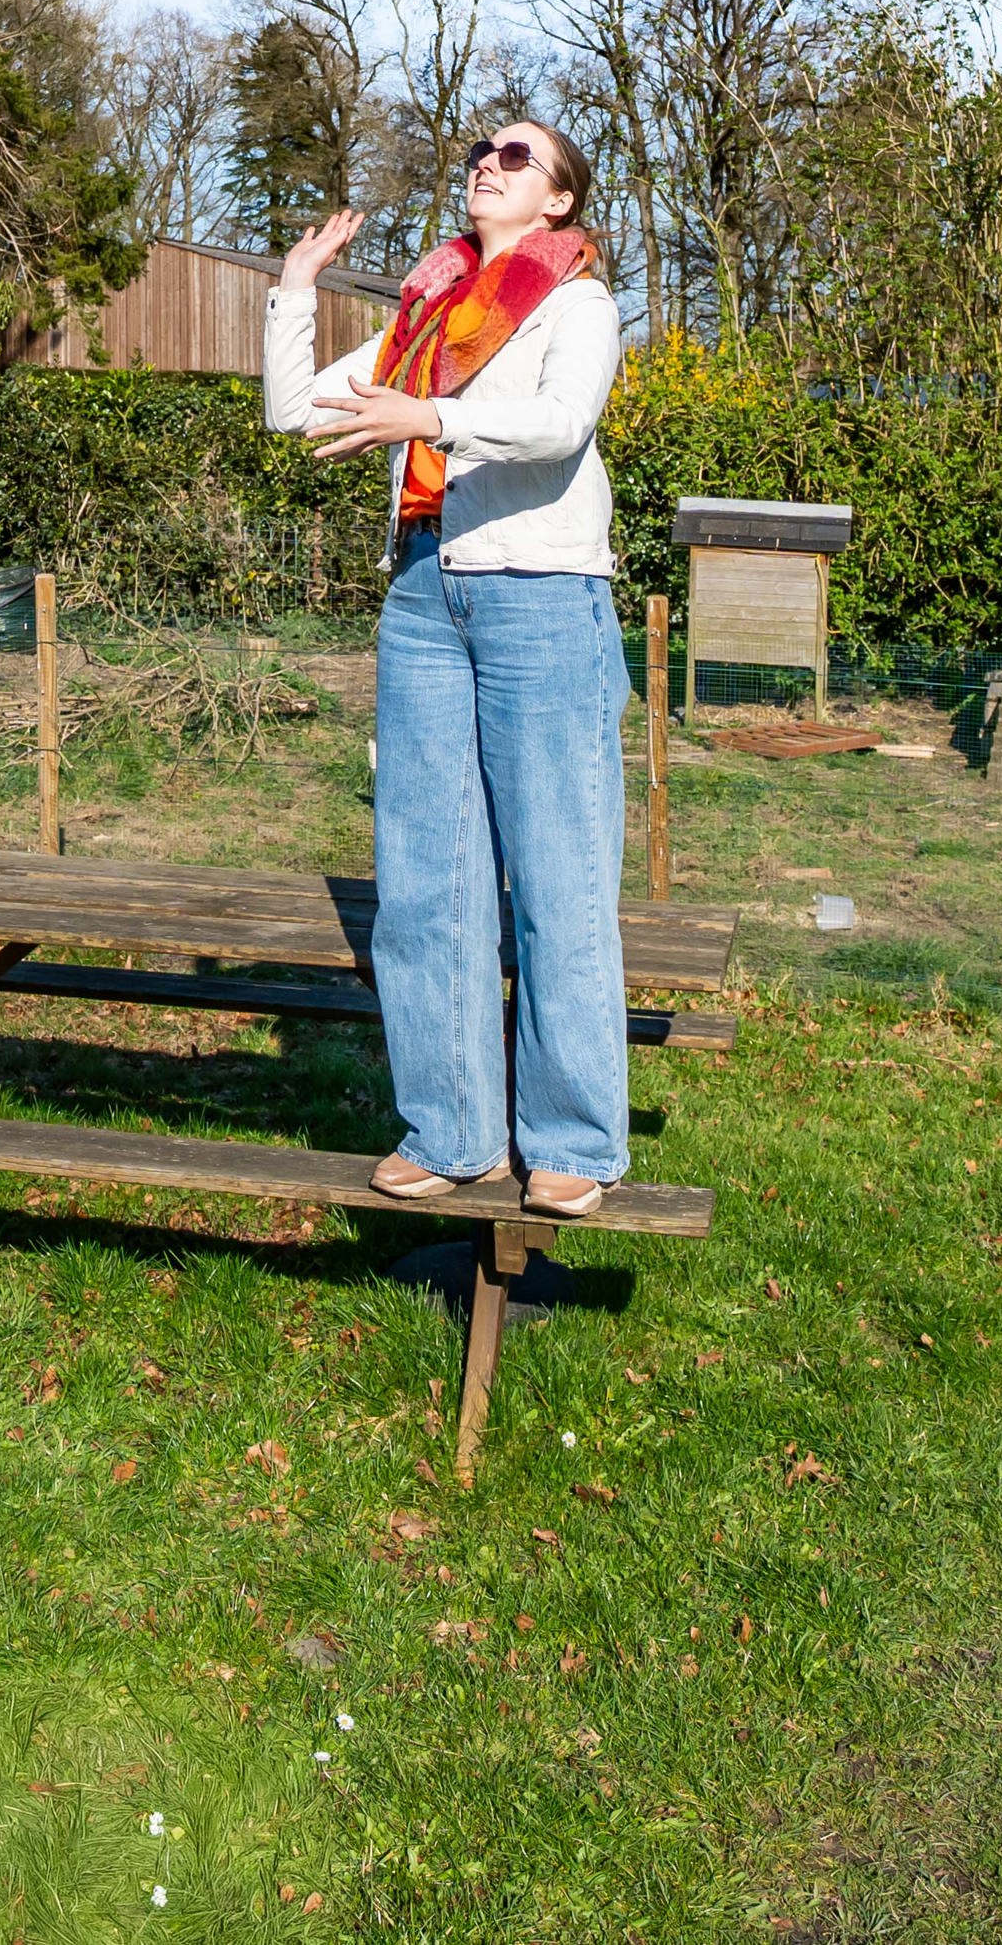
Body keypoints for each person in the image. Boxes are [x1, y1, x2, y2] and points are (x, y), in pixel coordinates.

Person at [265, 125, 632, 1216]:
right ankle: (451, 1127)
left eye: (517, 155)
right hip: (424, 593)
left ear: (558, 201)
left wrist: (426, 416)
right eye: (480, 148)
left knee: (557, 874)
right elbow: (295, 408)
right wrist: (292, 287)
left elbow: (558, 426)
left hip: (540, 594)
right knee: (425, 874)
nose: (489, 160)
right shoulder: (428, 315)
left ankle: (571, 1136)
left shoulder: (578, 307)